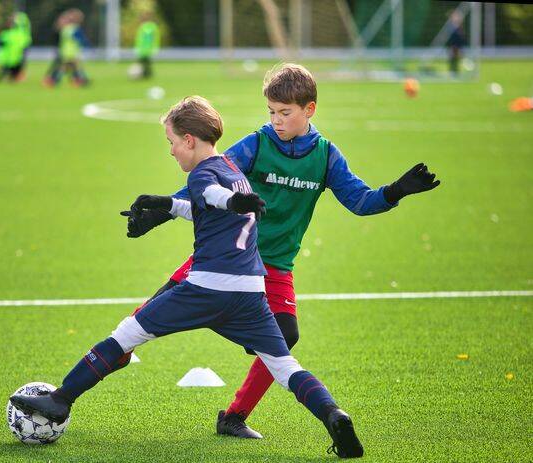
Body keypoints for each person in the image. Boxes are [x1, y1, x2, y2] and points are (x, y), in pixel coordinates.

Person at [10, 96, 365, 459]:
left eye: (172, 142)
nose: (171, 150)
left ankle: (60, 399)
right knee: (284, 366)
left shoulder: (203, 175)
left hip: (206, 288)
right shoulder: (234, 170)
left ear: (190, 140)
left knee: (127, 333)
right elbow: (203, 206)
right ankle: (333, 415)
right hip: (251, 293)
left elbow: (212, 196)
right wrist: (165, 203)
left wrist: (231, 203)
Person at [123, 64, 440, 440]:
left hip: (273, 268)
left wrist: (396, 191)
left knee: (286, 335)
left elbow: (360, 201)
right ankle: (96, 369)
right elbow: (206, 179)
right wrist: (158, 214)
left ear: (310, 110)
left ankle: (234, 417)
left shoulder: (326, 156)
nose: (276, 120)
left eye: (285, 112)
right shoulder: (256, 145)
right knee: (142, 321)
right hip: (223, 257)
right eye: (271, 111)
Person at [43, 9, 90, 87]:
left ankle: (79, 80)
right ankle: (54, 80)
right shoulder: (75, 29)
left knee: (69, 67)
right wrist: (87, 45)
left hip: (65, 51)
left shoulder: (66, 29)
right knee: (67, 67)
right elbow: (81, 40)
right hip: (71, 52)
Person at [0, 15, 26, 83]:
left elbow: (1, 42)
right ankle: (13, 78)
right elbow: (23, 45)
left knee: (7, 68)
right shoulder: (20, 33)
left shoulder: (6, 33)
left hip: (9, 55)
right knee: (13, 68)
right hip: (16, 55)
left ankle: (6, 77)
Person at [134, 12, 160, 79]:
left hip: (149, 49)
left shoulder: (153, 27)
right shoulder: (142, 27)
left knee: (147, 62)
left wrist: (155, 47)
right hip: (142, 49)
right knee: (141, 62)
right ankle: (142, 74)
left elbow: (156, 38)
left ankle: (147, 74)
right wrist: (137, 47)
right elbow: (139, 38)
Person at [445, 10, 465, 76]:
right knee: (451, 58)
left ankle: (456, 71)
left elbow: (461, 37)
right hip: (452, 45)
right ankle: (452, 71)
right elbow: (450, 37)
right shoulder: (450, 26)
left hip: (458, 45)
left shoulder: (459, 26)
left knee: (457, 59)